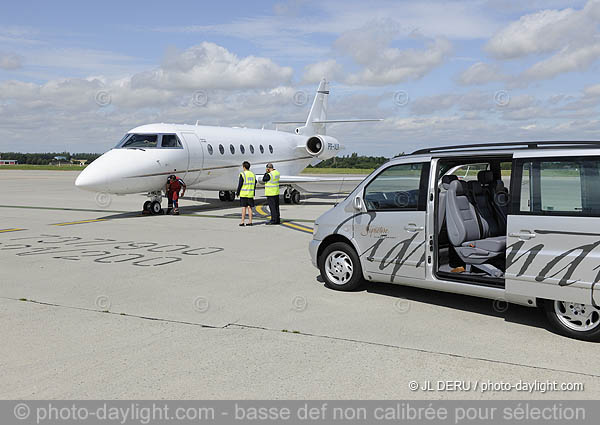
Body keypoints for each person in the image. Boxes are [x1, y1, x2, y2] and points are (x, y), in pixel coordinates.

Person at [236, 161, 256, 226]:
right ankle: (250, 221)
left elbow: (240, 184)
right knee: (250, 208)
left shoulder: (243, 174)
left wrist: (237, 192)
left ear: (244, 167)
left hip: (244, 194)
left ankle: (242, 221)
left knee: (244, 208)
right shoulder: (252, 174)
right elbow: (254, 184)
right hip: (250, 194)